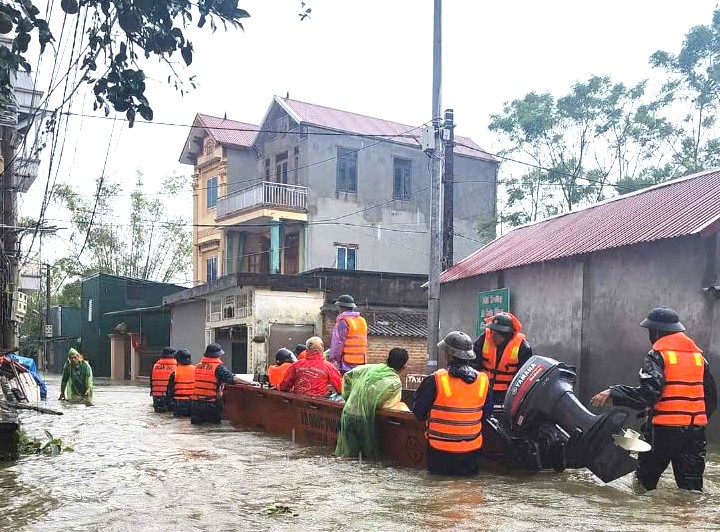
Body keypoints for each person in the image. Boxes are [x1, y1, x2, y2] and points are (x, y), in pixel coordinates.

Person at [591, 307, 717, 492]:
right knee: (691, 489)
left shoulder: (658, 355)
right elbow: (711, 398)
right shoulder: (699, 359)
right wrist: (692, 419)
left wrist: (614, 393)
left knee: (643, 485)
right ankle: (689, 520)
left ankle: (647, 521)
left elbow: (649, 393)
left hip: (664, 432)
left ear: (657, 331)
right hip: (694, 433)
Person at [413, 331, 489, 476]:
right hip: (471, 452)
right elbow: (486, 414)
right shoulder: (483, 381)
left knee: (439, 492)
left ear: (448, 355)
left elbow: (418, 412)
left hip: (440, 451)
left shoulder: (435, 380)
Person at [335, 347, 409, 460]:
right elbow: (386, 405)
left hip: (348, 413)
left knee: (347, 456)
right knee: (366, 459)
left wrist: (349, 397)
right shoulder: (394, 382)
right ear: (404, 367)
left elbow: (347, 375)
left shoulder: (369, 368)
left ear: (387, 359)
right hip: (364, 420)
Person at [472, 312, 533, 405]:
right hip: (484, 389)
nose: (492, 336)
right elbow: (473, 364)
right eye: (492, 332)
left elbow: (525, 376)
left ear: (506, 335)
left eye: (496, 334)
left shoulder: (522, 347)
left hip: (508, 393)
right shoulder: (483, 339)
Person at [191, 343, 256, 424]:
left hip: (195, 405)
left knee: (198, 431)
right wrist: (250, 383)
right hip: (210, 404)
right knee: (213, 431)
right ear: (218, 355)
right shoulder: (218, 367)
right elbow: (232, 379)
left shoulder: (197, 366)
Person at [329, 294, 368, 373]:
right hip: (361, 362)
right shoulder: (362, 321)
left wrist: (333, 359)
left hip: (346, 363)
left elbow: (337, 342)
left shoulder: (343, 321)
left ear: (341, 307)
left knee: (346, 384)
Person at [167, 349, 195, 417]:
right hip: (193, 403)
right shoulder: (196, 370)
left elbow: (169, 392)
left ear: (177, 360)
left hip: (179, 404)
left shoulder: (175, 373)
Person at [150, 347, 177, 413]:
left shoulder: (156, 365)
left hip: (156, 396)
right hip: (170, 397)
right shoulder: (176, 365)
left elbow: (151, 381)